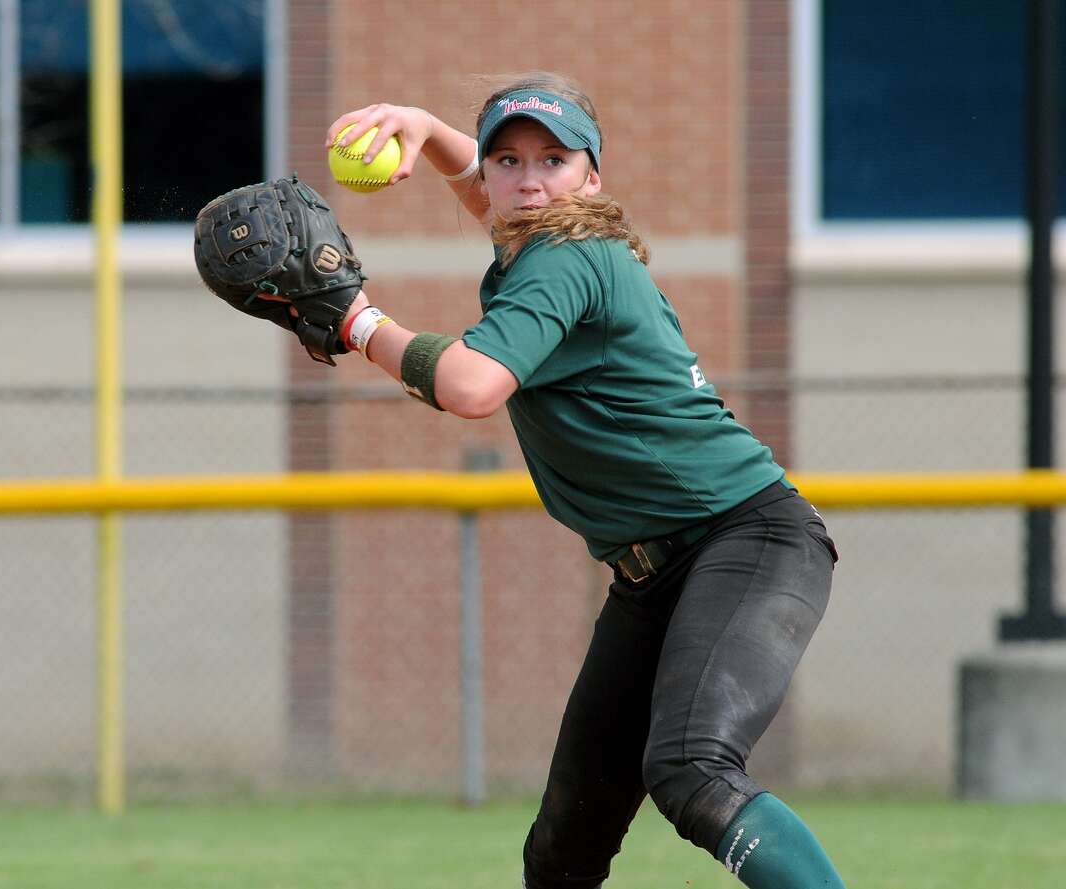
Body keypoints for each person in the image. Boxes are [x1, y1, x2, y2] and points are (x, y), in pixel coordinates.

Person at [323, 72, 846, 889]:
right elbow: (497, 204)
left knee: (692, 768)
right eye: (507, 159)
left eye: (555, 159)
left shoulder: (566, 259)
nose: (529, 179)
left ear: (591, 177)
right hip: (656, 572)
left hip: (744, 539)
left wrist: (354, 320)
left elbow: (470, 386)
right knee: (566, 843)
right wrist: (425, 129)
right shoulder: (544, 245)